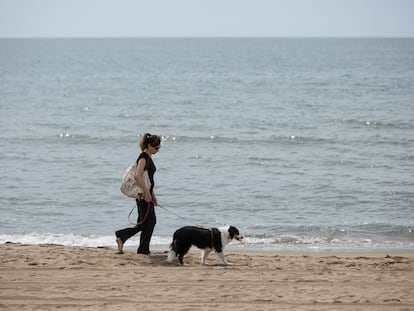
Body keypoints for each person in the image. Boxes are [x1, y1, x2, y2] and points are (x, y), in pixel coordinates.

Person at [115, 133, 161, 255]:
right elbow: (137, 175)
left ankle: (124, 238)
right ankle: (141, 248)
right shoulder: (143, 157)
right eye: (156, 148)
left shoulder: (148, 157)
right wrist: (146, 193)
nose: (158, 150)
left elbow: (148, 179)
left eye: (159, 148)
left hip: (147, 194)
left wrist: (153, 196)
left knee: (145, 223)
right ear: (149, 145)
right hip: (143, 196)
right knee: (149, 222)